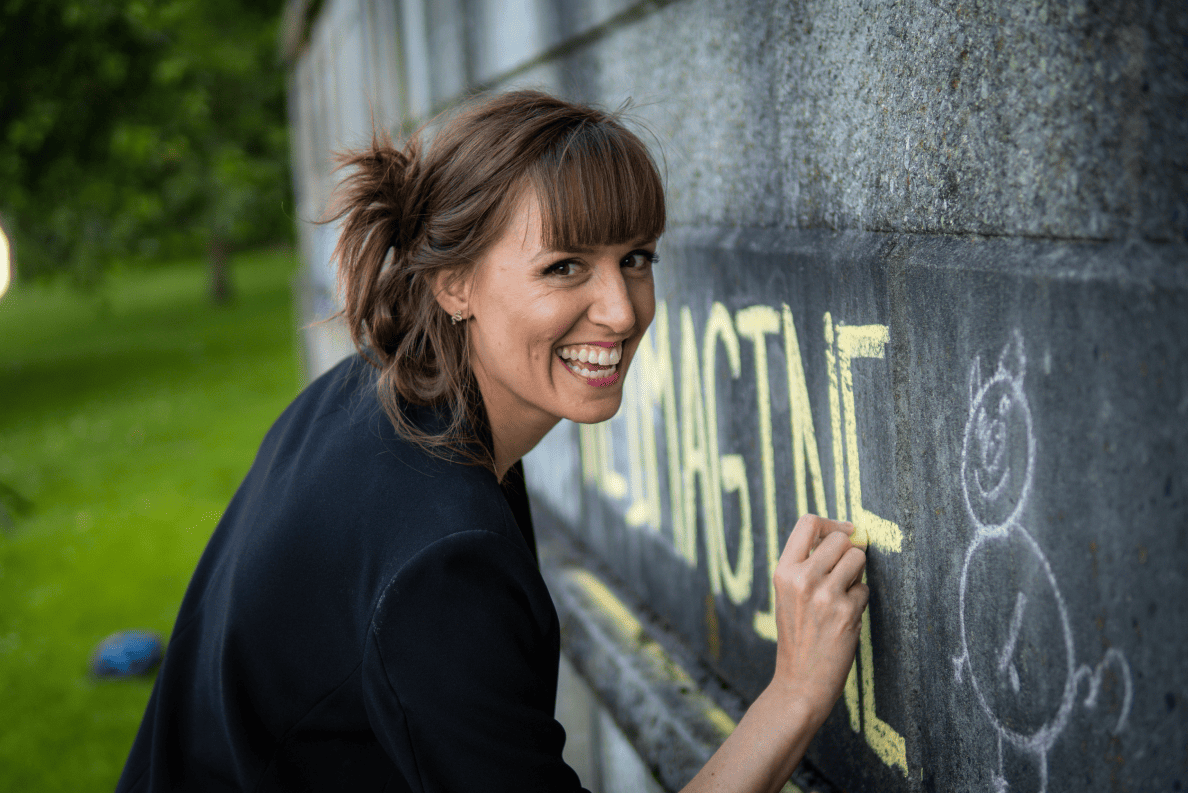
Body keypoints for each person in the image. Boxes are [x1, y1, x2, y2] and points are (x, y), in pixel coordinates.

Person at [115, 90, 869, 793]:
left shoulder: (370, 392)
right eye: (564, 266)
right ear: (454, 284)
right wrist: (797, 691)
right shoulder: (442, 561)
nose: (620, 309)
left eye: (635, 258)